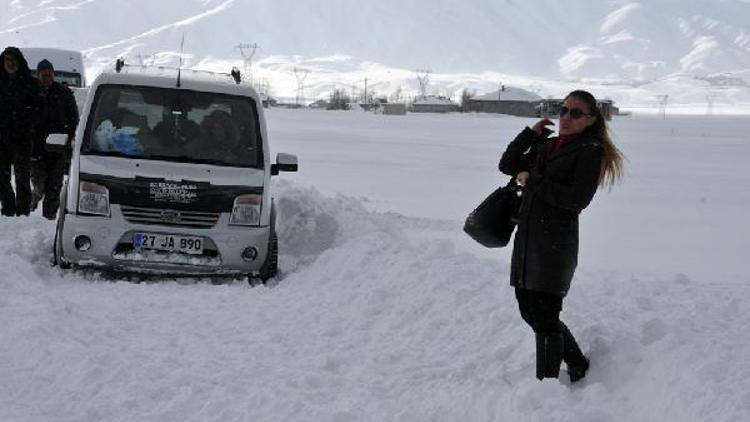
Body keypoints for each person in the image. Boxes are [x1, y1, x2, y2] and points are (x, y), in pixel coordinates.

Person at [498, 90, 624, 382]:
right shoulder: (550, 144)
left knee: (544, 317)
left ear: (590, 120)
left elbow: (576, 199)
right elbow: (507, 165)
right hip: (528, 240)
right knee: (530, 312)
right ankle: (577, 362)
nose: (566, 117)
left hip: (554, 245)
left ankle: (547, 386)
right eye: (563, 109)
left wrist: (533, 181)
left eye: (575, 113)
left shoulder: (590, 151)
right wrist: (530, 135)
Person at [31, 59, 79, 219]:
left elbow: (73, 118)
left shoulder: (63, 93)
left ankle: (49, 217)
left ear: (53, 74)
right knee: (39, 185)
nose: (46, 76)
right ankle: (33, 200)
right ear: (38, 75)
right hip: (35, 150)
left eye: (49, 73)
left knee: (54, 186)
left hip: (58, 149)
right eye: (43, 74)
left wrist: (70, 139)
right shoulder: (30, 92)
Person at [0, 47, 42, 216]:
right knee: (1, 176)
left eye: (13, 60)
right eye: (7, 60)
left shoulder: (30, 83)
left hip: (23, 138)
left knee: (22, 176)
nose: (10, 63)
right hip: (1, 137)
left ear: (19, 62)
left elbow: (40, 108)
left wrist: (28, 125)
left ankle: (23, 210)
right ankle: (8, 207)